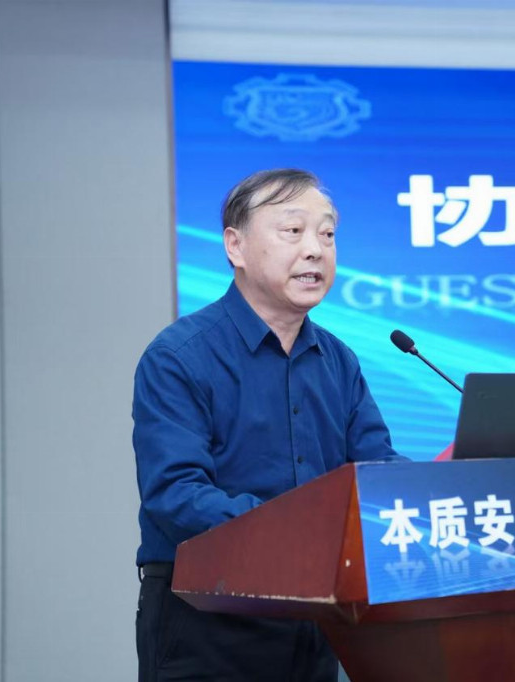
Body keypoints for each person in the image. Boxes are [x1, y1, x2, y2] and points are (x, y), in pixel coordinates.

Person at [132, 169, 402, 681]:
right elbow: (176, 494)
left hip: (316, 617)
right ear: (235, 246)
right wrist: (303, 531)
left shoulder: (338, 361)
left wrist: (437, 493)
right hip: (209, 620)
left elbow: (377, 471)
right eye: (293, 231)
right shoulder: (179, 357)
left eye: (327, 234)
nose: (315, 250)